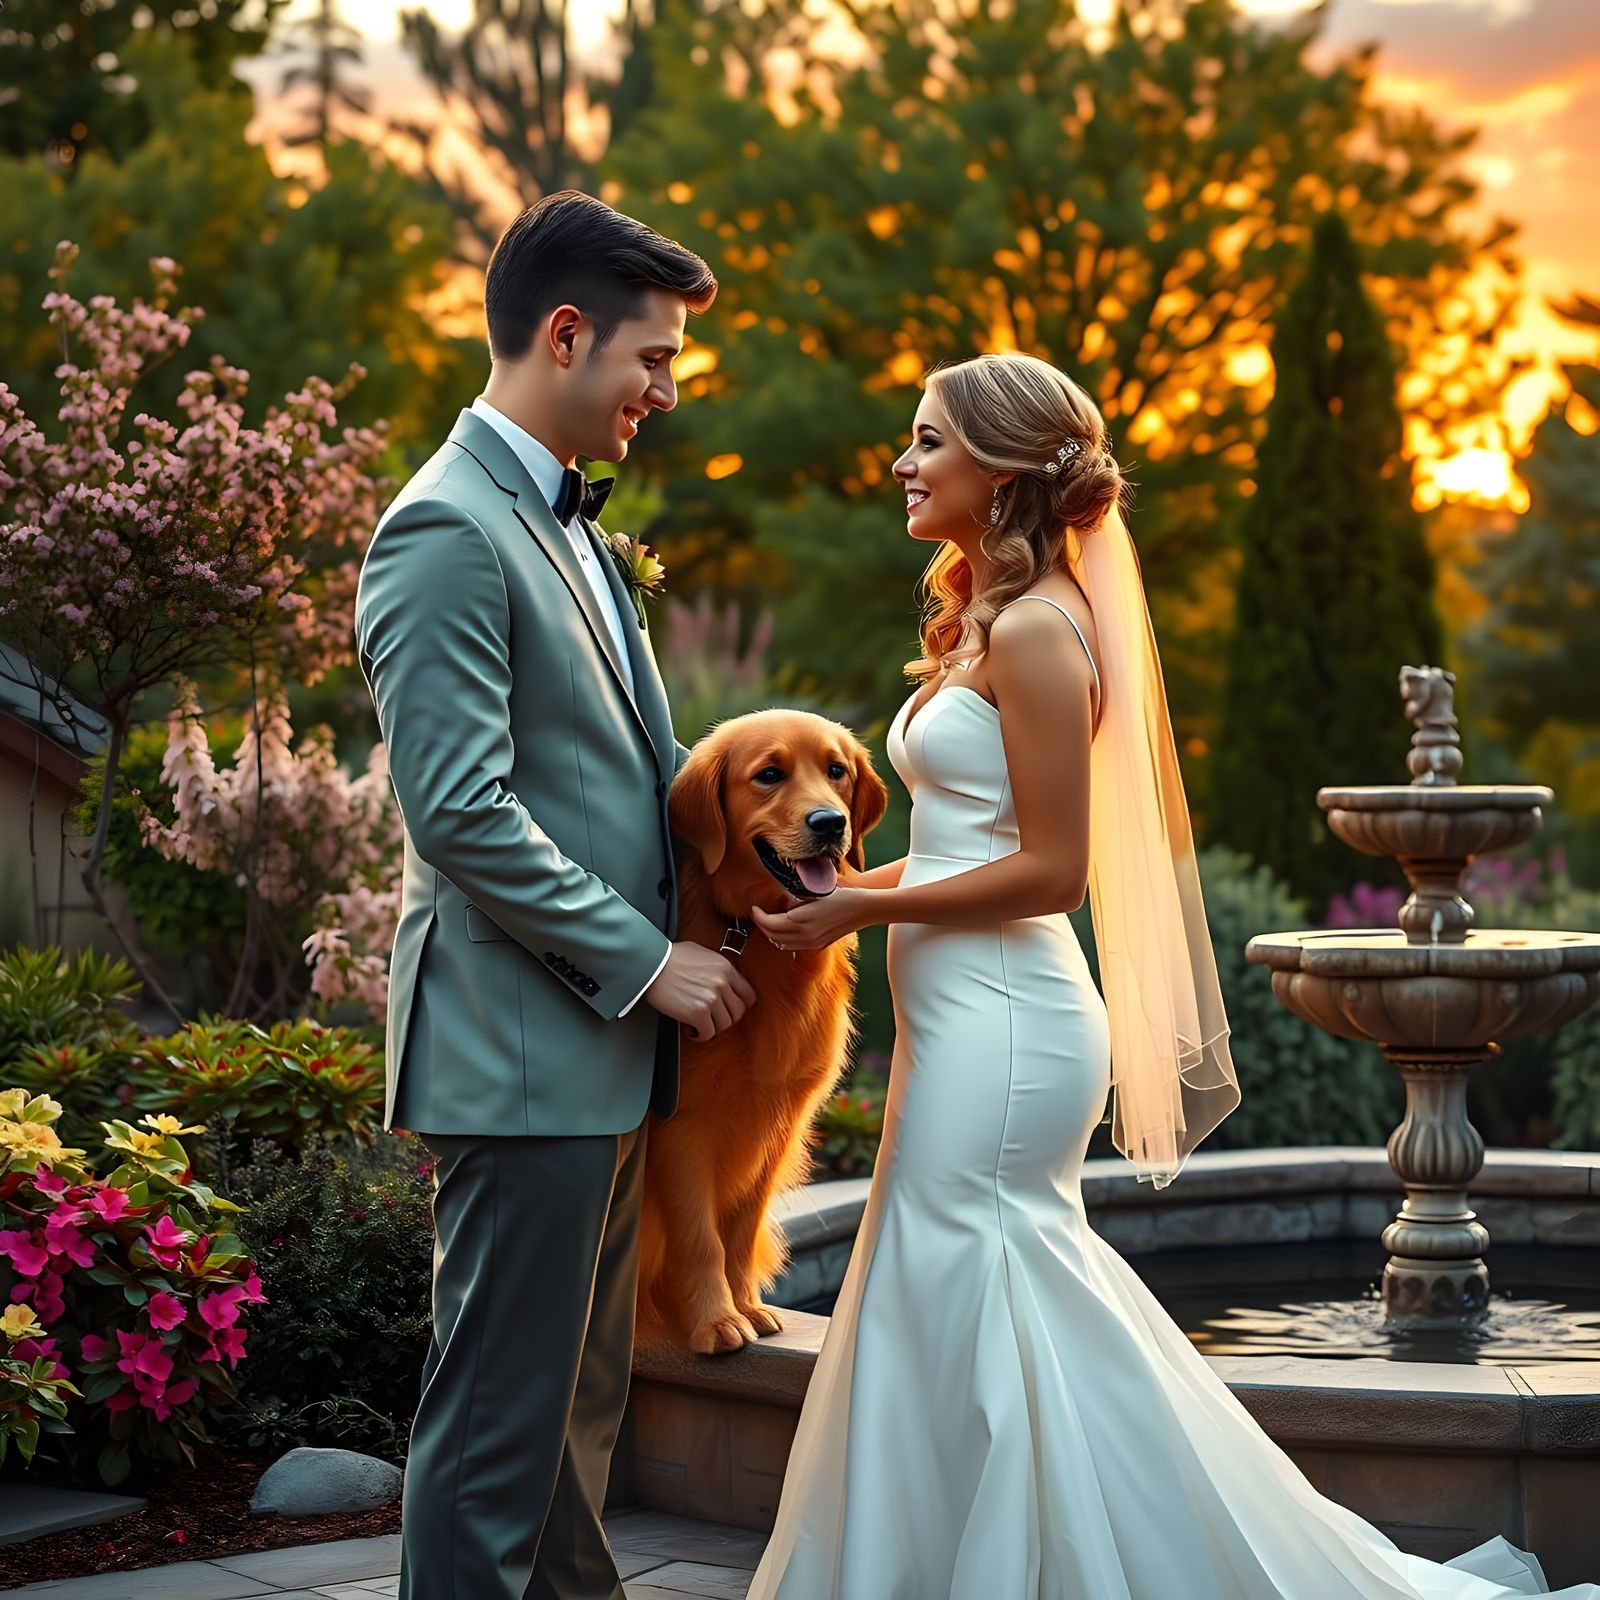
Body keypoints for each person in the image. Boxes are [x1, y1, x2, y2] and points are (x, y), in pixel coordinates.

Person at [745, 351, 1593, 1598]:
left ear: (1005, 465)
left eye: (927, 441)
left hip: (1011, 1019)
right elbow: (961, 841)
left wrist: (855, 913)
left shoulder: (1037, 632)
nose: (902, 464)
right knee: (949, 1281)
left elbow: (1052, 875)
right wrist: (838, 896)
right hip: (960, 1016)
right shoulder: (985, 615)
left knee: (975, 1272)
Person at [355, 190, 757, 1600]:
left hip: (598, 1063)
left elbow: (624, 781)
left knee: (574, 1437)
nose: (665, 391)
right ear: (568, 334)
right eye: (653, 360)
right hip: (524, 1054)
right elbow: (461, 813)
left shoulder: (579, 530)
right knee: (495, 1444)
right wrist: (652, 963)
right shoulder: (446, 532)